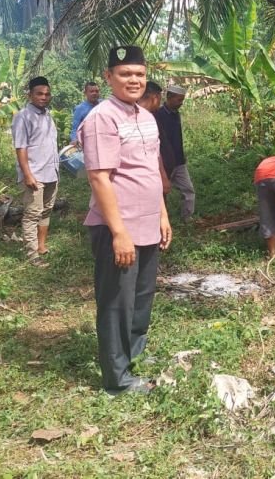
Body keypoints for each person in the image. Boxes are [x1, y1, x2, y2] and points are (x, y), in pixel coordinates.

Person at [78, 45, 173, 396]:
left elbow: (150, 171)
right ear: (109, 77)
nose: (134, 80)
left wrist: (162, 214)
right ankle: (117, 379)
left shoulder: (146, 117)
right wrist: (119, 233)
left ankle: (134, 354)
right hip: (118, 226)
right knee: (117, 301)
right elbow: (99, 178)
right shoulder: (102, 118)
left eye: (139, 74)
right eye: (125, 74)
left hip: (148, 223)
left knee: (142, 296)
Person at [11, 76, 60, 265]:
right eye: (39, 94)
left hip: (51, 173)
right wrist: (27, 174)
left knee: (46, 211)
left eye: (47, 94)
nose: (44, 97)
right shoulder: (23, 116)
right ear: (30, 95)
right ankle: (32, 255)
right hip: (34, 175)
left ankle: (41, 246)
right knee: (32, 214)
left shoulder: (48, 115)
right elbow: (20, 147)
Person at [156, 84, 195, 220]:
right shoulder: (158, 115)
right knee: (161, 193)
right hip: (165, 163)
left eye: (182, 100)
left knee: (188, 190)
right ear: (169, 97)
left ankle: (187, 218)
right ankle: (162, 220)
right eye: (179, 100)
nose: (181, 103)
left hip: (179, 162)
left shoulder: (176, 114)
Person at [137, 81, 172, 195]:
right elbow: (154, 152)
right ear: (155, 98)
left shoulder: (151, 117)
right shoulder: (139, 119)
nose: (160, 103)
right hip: (149, 177)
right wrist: (163, 176)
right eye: (160, 99)